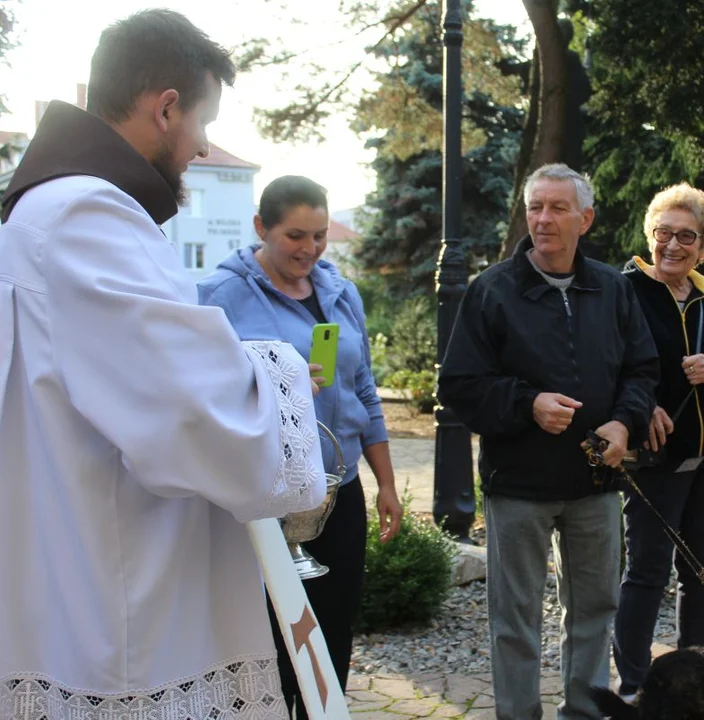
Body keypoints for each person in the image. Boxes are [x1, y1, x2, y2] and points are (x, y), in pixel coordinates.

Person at [0, 11, 327, 718]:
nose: (201, 147)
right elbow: (195, 410)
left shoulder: (45, 212)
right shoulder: (89, 216)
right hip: (120, 599)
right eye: (200, 123)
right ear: (166, 107)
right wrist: (277, 367)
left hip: (83, 568)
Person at [438, 163, 659, 720]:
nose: (543, 218)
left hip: (595, 483)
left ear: (584, 219)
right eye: (536, 206)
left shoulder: (613, 288)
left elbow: (642, 370)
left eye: (558, 208)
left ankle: (582, 715)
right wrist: (526, 404)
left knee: (593, 611)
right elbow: (460, 386)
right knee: (515, 620)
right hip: (518, 486)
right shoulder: (492, 291)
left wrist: (624, 423)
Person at [198, 175, 403, 717]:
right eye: (294, 236)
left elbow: (364, 389)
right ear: (261, 227)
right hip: (268, 495)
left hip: (341, 488)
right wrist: (269, 381)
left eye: (319, 236)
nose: (309, 250)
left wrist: (385, 482)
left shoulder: (340, 290)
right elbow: (200, 394)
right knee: (271, 628)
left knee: (333, 623)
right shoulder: (221, 296)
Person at [613, 183, 704, 701]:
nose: (672, 245)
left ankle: (696, 681)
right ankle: (633, 684)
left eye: (686, 236)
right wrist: (639, 407)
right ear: (649, 235)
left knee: (702, 572)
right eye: (663, 233)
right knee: (648, 572)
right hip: (656, 462)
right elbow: (602, 369)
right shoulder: (622, 292)